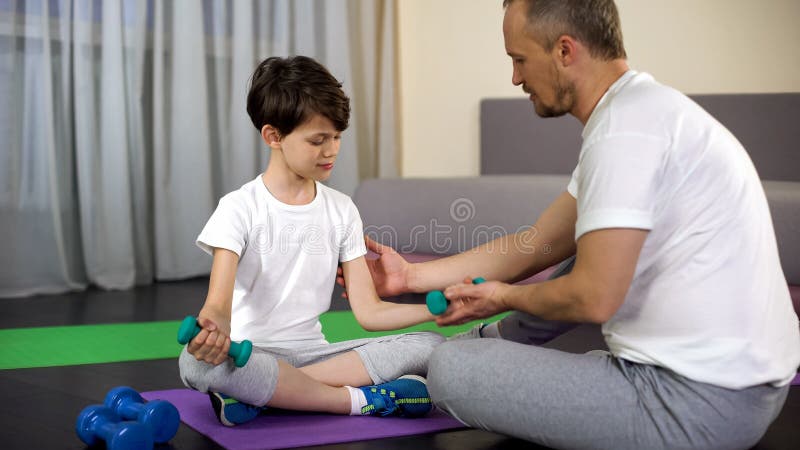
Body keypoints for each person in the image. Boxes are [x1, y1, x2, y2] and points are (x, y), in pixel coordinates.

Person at [341, 0, 800, 448]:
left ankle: (467, 347)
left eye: (519, 59)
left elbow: (594, 297)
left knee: (449, 370)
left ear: (565, 50)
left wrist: (500, 297)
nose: (516, 77)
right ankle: (485, 339)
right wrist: (410, 277)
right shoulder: (642, 111)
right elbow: (537, 244)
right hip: (739, 390)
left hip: (694, 404)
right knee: (581, 245)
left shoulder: (625, 134)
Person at [178, 55, 444, 427]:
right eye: (318, 140)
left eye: (336, 137)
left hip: (318, 357)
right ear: (274, 136)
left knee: (429, 345)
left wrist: (439, 310)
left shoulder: (342, 210)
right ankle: (354, 400)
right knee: (194, 363)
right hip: (248, 354)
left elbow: (369, 312)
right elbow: (218, 305)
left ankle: (267, 395)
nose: (332, 150)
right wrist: (213, 331)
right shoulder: (238, 207)